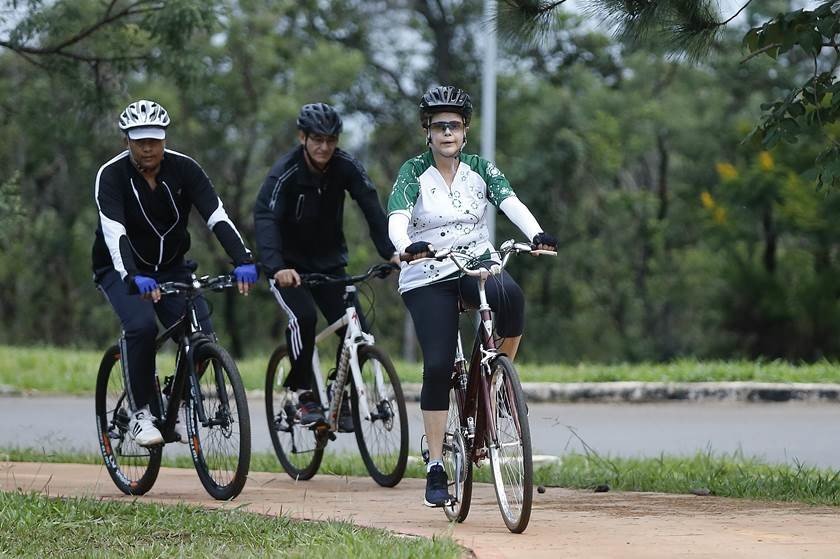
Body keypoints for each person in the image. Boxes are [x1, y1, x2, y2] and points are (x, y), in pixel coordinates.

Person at [387, 85, 557, 507]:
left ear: (465, 132)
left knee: (511, 298)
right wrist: (406, 245)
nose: (448, 132)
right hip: (427, 271)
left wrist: (534, 233)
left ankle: (499, 382)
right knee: (439, 363)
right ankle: (436, 466)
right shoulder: (413, 172)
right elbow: (396, 217)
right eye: (440, 125)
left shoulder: (480, 169)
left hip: (474, 261)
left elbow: (509, 201)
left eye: (455, 125)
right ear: (428, 131)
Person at [92, 99, 258, 447]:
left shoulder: (185, 169)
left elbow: (217, 217)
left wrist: (243, 259)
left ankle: (172, 399)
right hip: (121, 268)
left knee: (202, 339)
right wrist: (132, 276)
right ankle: (139, 415)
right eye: (140, 140)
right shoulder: (111, 175)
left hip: (171, 268)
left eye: (154, 139)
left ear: (164, 138)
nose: (148, 147)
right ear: (127, 141)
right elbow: (114, 233)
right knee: (141, 326)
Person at [254, 102, 399, 431]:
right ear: (302, 137)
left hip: (330, 263)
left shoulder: (344, 165)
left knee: (358, 330)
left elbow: (369, 203)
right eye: (317, 140)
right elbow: (265, 217)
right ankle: (304, 395)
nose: (324, 147)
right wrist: (276, 266)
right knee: (303, 317)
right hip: (288, 269)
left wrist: (391, 251)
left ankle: (339, 391)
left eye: (331, 140)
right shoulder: (285, 172)